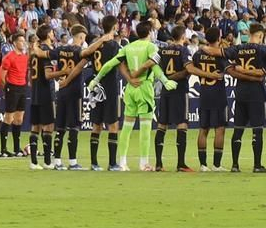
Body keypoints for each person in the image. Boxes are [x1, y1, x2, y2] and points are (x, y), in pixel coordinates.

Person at [89, 20, 179, 172]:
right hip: (144, 87)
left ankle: (122, 162)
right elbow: (154, 66)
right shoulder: (151, 47)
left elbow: (110, 64)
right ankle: (143, 163)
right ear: (150, 32)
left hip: (130, 89)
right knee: (145, 128)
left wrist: (96, 79)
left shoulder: (128, 47)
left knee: (126, 127)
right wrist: (164, 80)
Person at [225, 24, 266, 173]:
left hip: (240, 92)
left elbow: (223, 57)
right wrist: (255, 75)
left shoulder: (238, 49)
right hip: (256, 93)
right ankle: (257, 165)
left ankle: (234, 165)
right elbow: (264, 73)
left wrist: (240, 71)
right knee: (257, 130)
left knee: (238, 129)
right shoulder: (263, 50)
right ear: (260, 35)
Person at [82, 16, 125, 170]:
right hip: (110, 87)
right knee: (113, 125)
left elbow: (84, 55)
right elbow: (120, 65)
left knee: (96, 125)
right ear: (114, 27)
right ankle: (112, 163)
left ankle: (94, 163)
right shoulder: (114, 45)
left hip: (96, 88)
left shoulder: (95, 45)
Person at [154, 25, 194, 172]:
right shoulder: (183, 50)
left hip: (165, 90)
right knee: (182, 124)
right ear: (183, 37)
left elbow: (153, 64)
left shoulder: (163, 50)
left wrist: (165, 78)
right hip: (179, 90)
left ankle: (158, 163)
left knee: (162, 125)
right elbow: (188, 70)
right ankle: (181, 164)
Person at [189, 26, 229, 171]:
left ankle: (203, 165)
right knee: (219, 129)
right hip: (218, 94)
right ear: (218, 38)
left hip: (204, 94)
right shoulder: (221, 55)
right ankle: (217, 165)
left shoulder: (198, 54)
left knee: (203, 129)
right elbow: (229, 68)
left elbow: (190, 68)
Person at [51, 26, 90, 169]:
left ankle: (57, 161)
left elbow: (47, 55)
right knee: (74, 127)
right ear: (80, 37)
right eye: (84, 38)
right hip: (75, 92)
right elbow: (79, 67)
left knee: (60, 127)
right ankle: (73, 162)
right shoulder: (80, 52)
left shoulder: (61, 49)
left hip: (61, 91)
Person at [26, 25, 59, 169]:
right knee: (48, 126)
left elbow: (29, 75)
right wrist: (63, 73)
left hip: (35, 92)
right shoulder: (46, 51)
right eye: (52, 32)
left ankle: (33, 162)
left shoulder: (34, 52)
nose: (53, 34)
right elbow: (47, 74)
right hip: (46, 91)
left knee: (35, 126)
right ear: (47, 34)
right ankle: (46, 161)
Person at [0, 33, 29, 158]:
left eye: (24, 41)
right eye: (21, 41)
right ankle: (3, 148)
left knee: (19, 119)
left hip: (22, 87)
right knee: (8, 118)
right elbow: (2, 77)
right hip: (12, 87)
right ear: (15, 43)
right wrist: (6, 89)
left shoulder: (25, 57)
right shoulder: (9, 57)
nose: (23, 43)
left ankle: (17, 148)